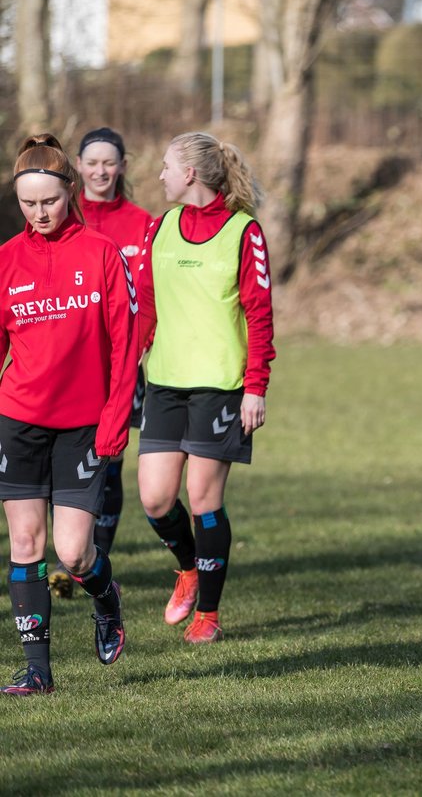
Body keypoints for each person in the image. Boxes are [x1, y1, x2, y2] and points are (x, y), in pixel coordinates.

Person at [0, 134, 136, 694]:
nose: (38, 214)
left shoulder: (101, 253)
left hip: (83, 425)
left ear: (70, 191)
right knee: (26, 545)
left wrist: (115, 419)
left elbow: (125, 346)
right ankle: (38, 672)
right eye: (28, 204)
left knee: (74, 554)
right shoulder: (6, 260)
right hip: (19, 419)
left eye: (49, 202)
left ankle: (107, 597)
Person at [135, 131, 275, 644]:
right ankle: (188, 568)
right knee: (154, 499)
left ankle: (209, 615)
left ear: (189, 173)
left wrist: (256, 387)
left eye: (166, 166)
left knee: (202, 499)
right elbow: (145, 308)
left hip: (221, 386)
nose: (160, 175)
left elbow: (260, 315)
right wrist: (128, 364)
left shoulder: (245, 232)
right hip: (165, 384)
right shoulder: (161, 227)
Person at [74, 127, 152, 560]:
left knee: (109, 461)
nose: (100, 171)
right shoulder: (64, 218)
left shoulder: (143, 224)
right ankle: (73, 551)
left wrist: (140, 344)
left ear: (122, 166)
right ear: (78, 166)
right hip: (71, 363)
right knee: (64, 458)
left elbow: (151, 295)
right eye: (92, 162)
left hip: (121, 365)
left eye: (109, 162)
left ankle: (96, 559)